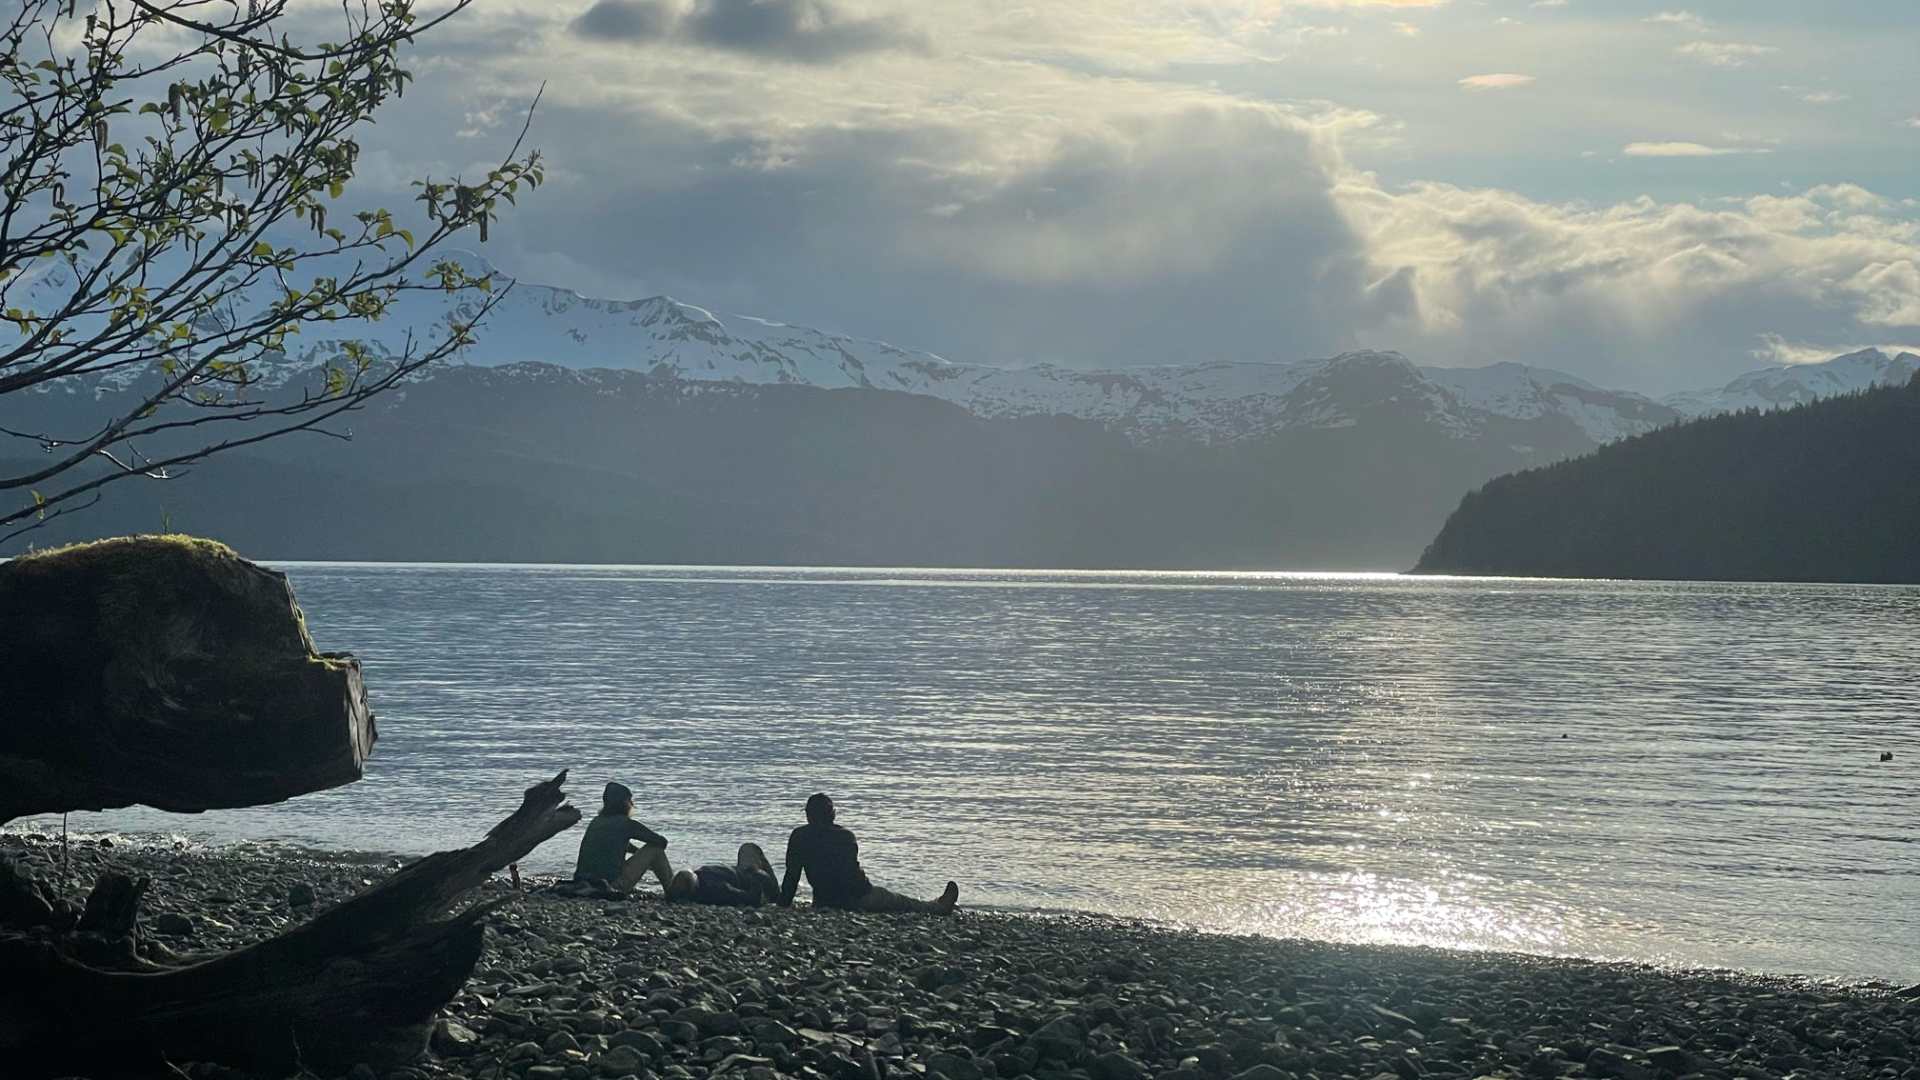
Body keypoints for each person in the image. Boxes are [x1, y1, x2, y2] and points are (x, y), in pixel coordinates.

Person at [779, 792, 958, 914]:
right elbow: (850, 876)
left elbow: (792, 875)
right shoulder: (845, 836)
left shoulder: (799, 836)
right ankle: (938, 907)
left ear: (808, 816)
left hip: (823, 901)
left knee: (893, 901)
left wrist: (783, 905)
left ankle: (936, 905)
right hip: (857, 898)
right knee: (900, 902)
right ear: (832, 815)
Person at [572, 781, 673, 893]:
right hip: (611, 886)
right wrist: (647, 859)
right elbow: (661, 842)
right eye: (630, 800)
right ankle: (672, 891)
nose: (632, 804)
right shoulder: (626, 824)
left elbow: (613, 843)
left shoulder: (596, 821)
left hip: (582, 882)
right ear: (624, 802)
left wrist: (637, 853)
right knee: (655, 849)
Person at [664, 843, 780, 907]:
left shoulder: (702, 879)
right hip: (752, 879)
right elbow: (749, 897)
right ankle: (776, 893)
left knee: (747, 850)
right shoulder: (716, 888)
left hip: (739, 873)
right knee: (748, 848)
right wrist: (755, 875)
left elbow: (670, 896)